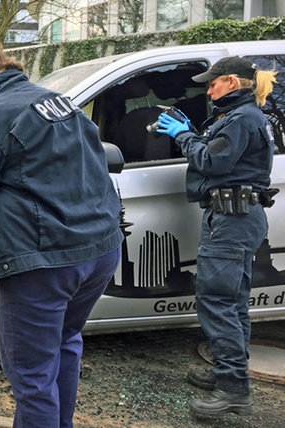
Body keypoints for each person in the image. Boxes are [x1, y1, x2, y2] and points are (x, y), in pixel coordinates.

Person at [0, 43, 123, 428]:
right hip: (99, 250)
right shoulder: (60, 102)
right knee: (64, 343)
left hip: (43, 262)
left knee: (32, 375)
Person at [155, 56, 277, 416]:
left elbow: (211, 162)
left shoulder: (242, 119)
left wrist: (182, 135)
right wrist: (193, 131)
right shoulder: (242, 117)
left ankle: (234, 391)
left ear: (233, 83)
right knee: (232, 302)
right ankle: (229, 374)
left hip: (232, 219)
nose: (208, 89)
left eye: (213, 83)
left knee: (218, 302)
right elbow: (219, 153)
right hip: (235, 216)